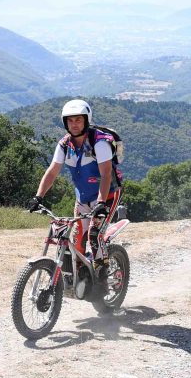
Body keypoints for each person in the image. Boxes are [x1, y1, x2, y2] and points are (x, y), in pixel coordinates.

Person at [28, 99, 122, 263]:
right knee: (76, 240)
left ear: (86, 120)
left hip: (107, 196)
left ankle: (102, 276)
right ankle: (79, 274)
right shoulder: (65, 144)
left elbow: (106, 175)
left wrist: (101, 203)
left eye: (78, 119)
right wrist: (38, 196)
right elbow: (52, 172)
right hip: (82, 199)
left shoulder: (99, 142)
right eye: (70, 120)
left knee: (95, 235)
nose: (74, 124)